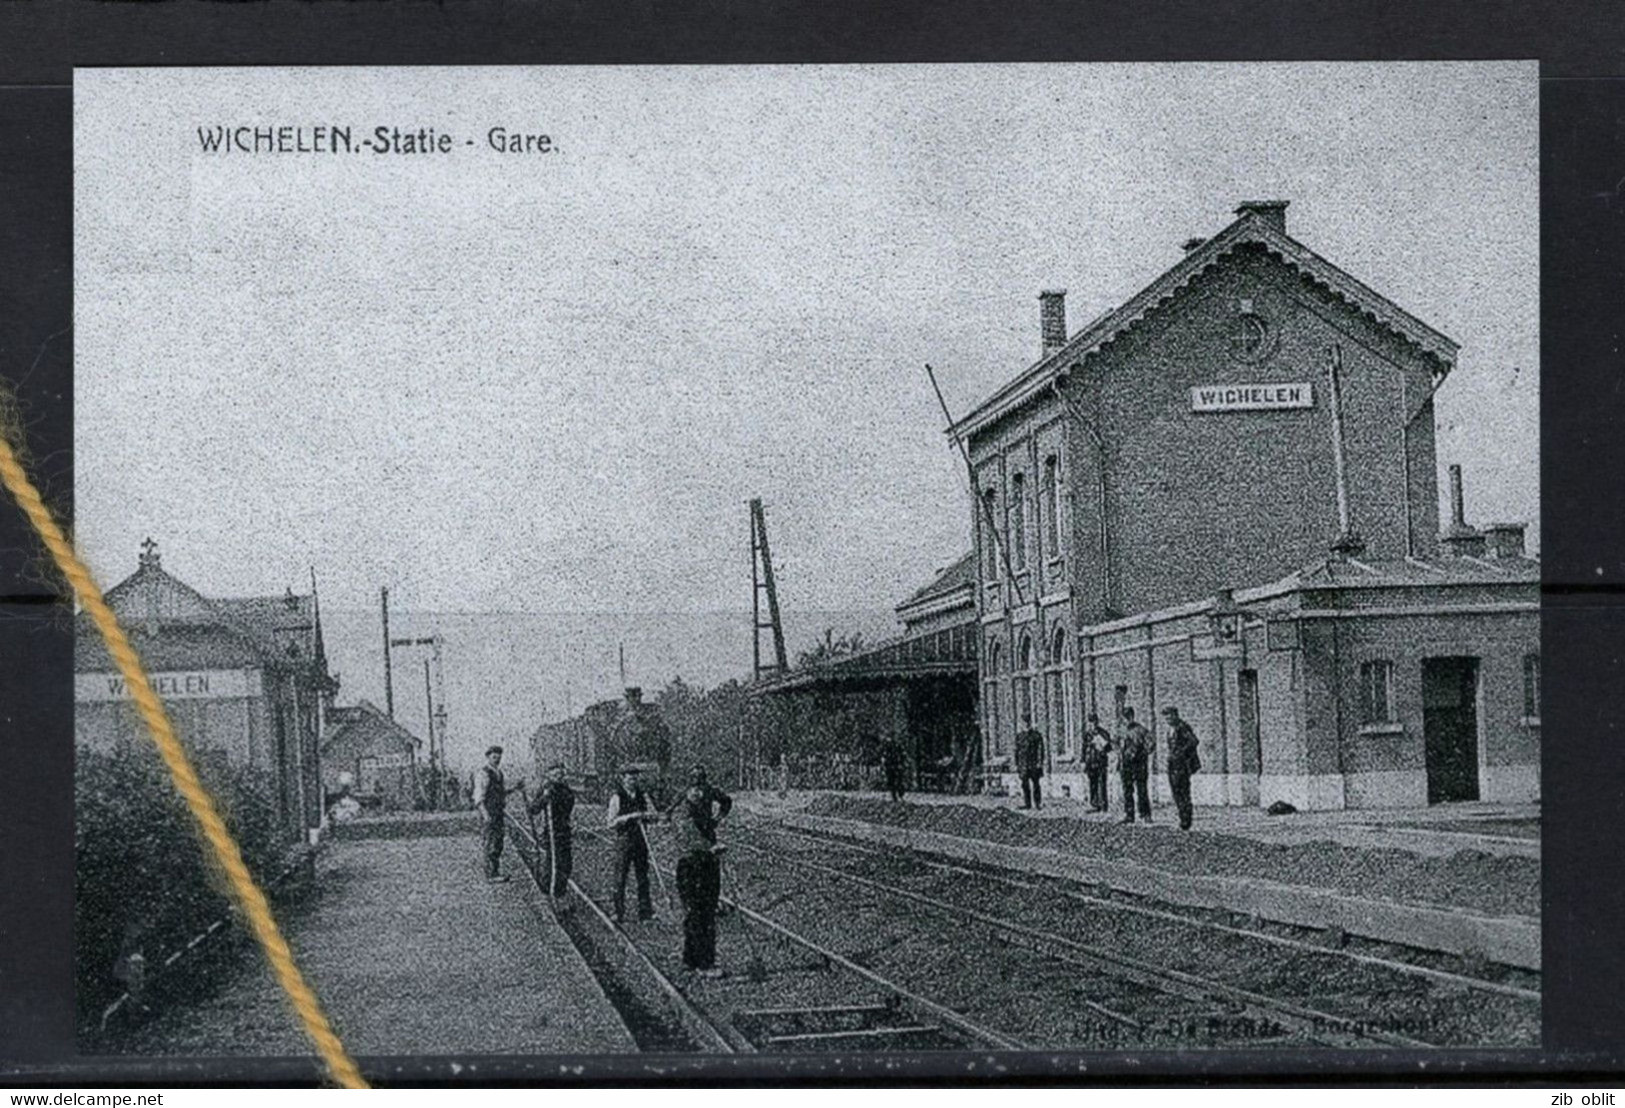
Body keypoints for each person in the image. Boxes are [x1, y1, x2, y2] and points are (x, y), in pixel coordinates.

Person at [669, 766, 733, 976]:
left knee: (700, 912)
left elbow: (726, 801)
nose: (699, 793)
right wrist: (711, 847)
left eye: (701, 787)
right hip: (692, 863)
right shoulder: (682, 809)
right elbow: (687, 835)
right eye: (695, 788)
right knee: (701, 912)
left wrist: (717, 819)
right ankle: (705, 964)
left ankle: (691, 960)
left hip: (703, 861)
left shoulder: (701, 796)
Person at [606, 765, 658, 923]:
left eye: (635, 778)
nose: (633, 781)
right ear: (623, 779)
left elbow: (654, 814)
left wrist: (646, 815)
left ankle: (645, 913)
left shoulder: (644, 796)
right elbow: (610, 823)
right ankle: (618, 912)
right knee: (620, 877)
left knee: (643, 877)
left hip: (642, 841)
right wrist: (629, 817)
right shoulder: (617, 797)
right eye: (629, 778)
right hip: (624, 841)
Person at [472, 745, 524, 882]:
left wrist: (515, 788)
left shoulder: (498, 773)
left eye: (499, 757)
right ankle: (490, 874)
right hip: (489, 813)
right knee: (490, 842)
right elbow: (479, 798)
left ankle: (494, 871)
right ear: (488, 757)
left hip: (498, 812)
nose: (497, 759)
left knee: (498, 842)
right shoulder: (483, 774)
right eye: (494, 757)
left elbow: (501, 792)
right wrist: (485, 815)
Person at [528, 761, 576, 903]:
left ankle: (560, 892)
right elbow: (533, 809)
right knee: (553, 863)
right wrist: (545, 798)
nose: (559, 776)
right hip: (551, 831)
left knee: (566, 864)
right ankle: (548, 892)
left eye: (561, 774)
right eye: (555, 774)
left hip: (564, 830)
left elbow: (570, 804)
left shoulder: (566, 788)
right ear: (549, 775)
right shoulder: (545, 788)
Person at [1163, 706, 1202, 831]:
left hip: (1182, 765)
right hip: (1173, 764)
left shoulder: (1182, 727)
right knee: (1176, 792)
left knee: (1183, 792)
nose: (1167, 719)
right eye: (1166, 716)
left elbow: (1194, 741)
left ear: (1175, 715)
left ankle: (1186, 822)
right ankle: (1182, 819)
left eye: (1169, 716)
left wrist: (1180, 753)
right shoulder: (1170, 729)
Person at [1117, 708, 1154, 824]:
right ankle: (1129, 815)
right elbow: (1115, 744)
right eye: (1125, 718)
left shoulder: (1141, 730)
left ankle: (1145, 815)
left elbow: (1151, 744)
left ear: (1133, 716)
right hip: (1126, 764)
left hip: (1139, 764)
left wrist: (1142, 752)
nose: (1127, 720)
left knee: (1142, 790)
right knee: (1127, 790)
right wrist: (1119, 752)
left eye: (1129, 717)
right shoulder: (1121, 731)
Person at [1082, 713, 1114, 813]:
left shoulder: (1103, 733)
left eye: (1094, 722)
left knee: (1101, 783)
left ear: (1097, 722)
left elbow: (1109, 748)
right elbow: (1083, 748)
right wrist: (1083, 761)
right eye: (1090, 723)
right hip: (1090, 762)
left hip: (1100, 762)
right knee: (1092, 783)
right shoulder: (1087, 735)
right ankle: (1094, 804)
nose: (1092, 725)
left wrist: (1102, 746)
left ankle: (1103, 805)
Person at [1013, 714, 1046, 809]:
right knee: (1024, 784)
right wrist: (1017, 764)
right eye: (1024, 722)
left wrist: (1039, 762)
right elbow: (1017, 751)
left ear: (1030, 723)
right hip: (1023, 764)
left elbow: (1040, 750)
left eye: (1027, 722)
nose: (1026, 724)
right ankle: (1027, 804)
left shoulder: (1036, 735)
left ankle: (1037, 803)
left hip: (1034, 764)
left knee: (1036, 784)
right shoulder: (1019, 736)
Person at [879, 733, 907, 802]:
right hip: (890, 765)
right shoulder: (887, 747)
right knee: (892, 781)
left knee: (899, 780)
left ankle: (899, 794)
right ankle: (895, 796)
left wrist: (902, 762)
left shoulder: (898, 746)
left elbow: (902, 755)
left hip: (896, 765)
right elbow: (884, 756)